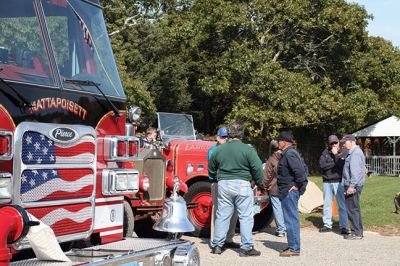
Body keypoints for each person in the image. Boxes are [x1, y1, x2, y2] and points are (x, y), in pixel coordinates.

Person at [208, 122, 263, 257]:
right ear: (241, 134)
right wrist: (259, 182)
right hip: (242, 184)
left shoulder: (219, 149)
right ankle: (246, 247)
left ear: (229, 134)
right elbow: (257, 167)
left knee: (222, 215)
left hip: (224, 184)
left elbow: (211, 168)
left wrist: (215, 178)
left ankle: (217, 245)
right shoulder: (248, 149)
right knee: (245, 217)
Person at [276, 130, 308, 257]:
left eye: (279, 140)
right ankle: (292, 245)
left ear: (284, 142)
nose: (278, 142)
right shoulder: (287, 153)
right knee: (289, 220)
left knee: (291, 220)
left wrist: (297, 187)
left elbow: (301, 172)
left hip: (289, 192)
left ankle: (294, 248)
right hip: (286, 192)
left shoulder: (290, 154)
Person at [208, 127, 239, 249]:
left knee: (234, 212)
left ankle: (229, 238)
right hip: (218, 182)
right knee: (218, 211)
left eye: (226, 137)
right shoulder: (213, 150)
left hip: (231, 182)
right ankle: (215, 240)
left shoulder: (231, 149)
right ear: (217, 138)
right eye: (222, 137)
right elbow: (212, 169)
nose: (225, 139)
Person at [319, 135, 349, 235]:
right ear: (329, 143)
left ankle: (344, 226)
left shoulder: (344, 151)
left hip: (339, 181)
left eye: (335, 142)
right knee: (327, 204)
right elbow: (322, 166)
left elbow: (341, 165)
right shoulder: (325, 152)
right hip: (327, 181)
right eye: (332, 143)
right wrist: (334, 163)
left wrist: (336, 155)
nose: (334, 145)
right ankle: (327, 225)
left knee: (342, 205)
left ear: (338, 142)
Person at [341, 134, 366, 240]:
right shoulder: (354, 152)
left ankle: (356, 233)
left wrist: (351, 186)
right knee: (354, 209)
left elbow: (355, 172)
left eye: (344, 142)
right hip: (354, 185)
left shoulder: (355, 154)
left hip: (352, 186)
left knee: (352, 209)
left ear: (351, 142)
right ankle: (358, 231)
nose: (343, 144)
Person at [263, 140, 286, 237]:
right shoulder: (287, 156)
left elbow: (267, 176)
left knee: (277, 208)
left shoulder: (271, 159)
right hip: (286, 187)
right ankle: (287, 227)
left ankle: (281, 229)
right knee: (286, 208)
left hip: (274, 188)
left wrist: (264, 186)